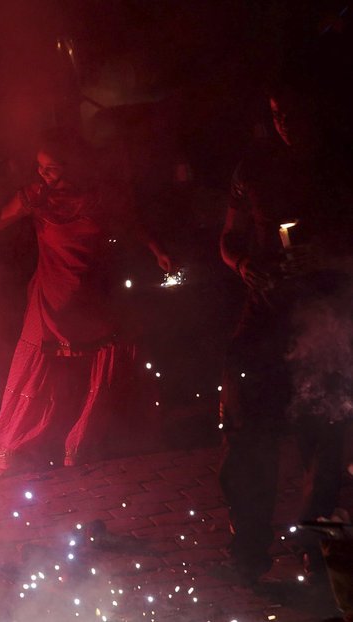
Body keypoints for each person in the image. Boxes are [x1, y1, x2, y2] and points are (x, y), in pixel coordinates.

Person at [0, 132, 172, 476]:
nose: (44, 175)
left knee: (98, 364)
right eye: (40, 167)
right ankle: (30, 444)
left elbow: (133, 223)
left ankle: (86, 441)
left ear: (75, 166)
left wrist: (158, 250)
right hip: (50, 296)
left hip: (95, 294)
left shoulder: (101, 196)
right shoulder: (35, 198)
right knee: (45, 369)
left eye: (52, 168)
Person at [217, 81, 353, 584]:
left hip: (327, 320)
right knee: (247, 434)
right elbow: (228, 240)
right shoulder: (253, 169)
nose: (284, 125)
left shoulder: (342, 164)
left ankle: (317, 554)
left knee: (323, 440)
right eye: (276, 114)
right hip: (266, 316)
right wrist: (245, 263)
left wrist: (333, 258)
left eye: (293, 113)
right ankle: (247, 551)